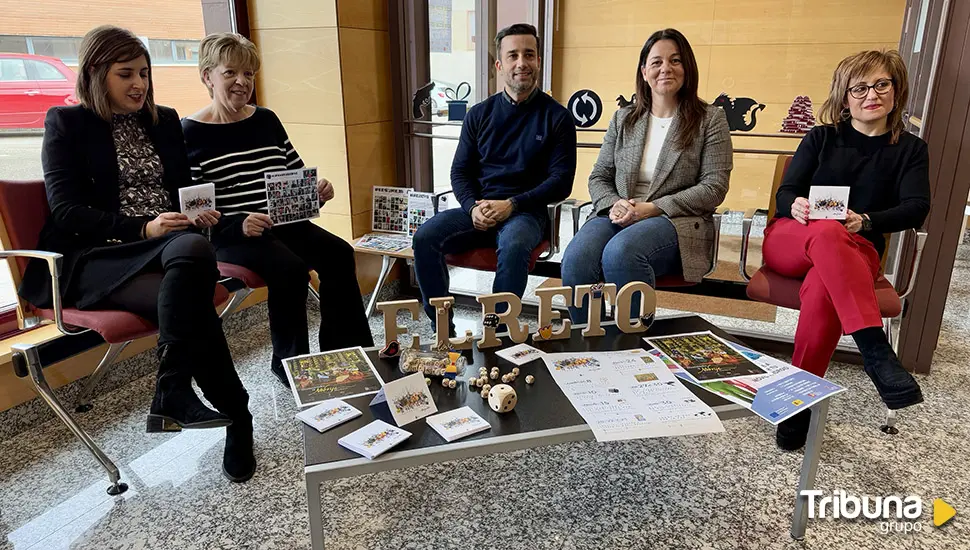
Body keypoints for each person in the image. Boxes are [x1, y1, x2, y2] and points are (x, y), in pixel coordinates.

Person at [17, 26, 255, 482]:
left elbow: (185, 190)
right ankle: (233, 415)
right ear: (94, 74)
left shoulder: (162, 120)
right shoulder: (66, 123)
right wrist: (141, 226)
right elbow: (67, 210)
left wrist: (200, 212)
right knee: (191, 294)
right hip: (95, 255)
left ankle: (176, 392)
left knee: (189, 250)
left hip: (166, 247)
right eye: (125, 74)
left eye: (144, 73)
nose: (139, 84)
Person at [181, 32, 374, 389]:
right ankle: (290, 364)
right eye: (231, 73)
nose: (243, 82)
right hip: (232, 234)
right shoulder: (188, 133)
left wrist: (317, 192)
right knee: (290, 268)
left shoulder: (266, 119)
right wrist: (238, 222)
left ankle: (348, 352)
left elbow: (292, 174)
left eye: (249, 74)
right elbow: (196, 213)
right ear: (207, 76)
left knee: (339, 253)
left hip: (284, 224)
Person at [763, 49, 929, 451]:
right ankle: (874, 348)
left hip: (856, 247)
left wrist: (866, 221)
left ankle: (797, 404)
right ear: (844, 95)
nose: (871, 94)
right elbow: (787, 192)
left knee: (824, 288)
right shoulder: (821, 137)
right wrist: (795, 205)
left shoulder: (910, 149)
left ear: (896, 89)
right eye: (860, 87)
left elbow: (916, 207)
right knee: (825, 231)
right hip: (794, 239)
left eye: (881, 84)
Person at [412, 23, 577, 331]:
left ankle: (497, 335)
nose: (521, 63)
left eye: (529, 54)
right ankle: (444, 332)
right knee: (424, 237)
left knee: (514, 245)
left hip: (525, 213)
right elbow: (460, 171)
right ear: (500, 65)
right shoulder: (479, 114)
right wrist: (472, 206)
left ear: (538, 61)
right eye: (512, 55)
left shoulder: (557, 117)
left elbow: (561, 181)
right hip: (479, 208)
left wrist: (512, 204)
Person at [561, 28, 732, 323]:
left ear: (687, 68)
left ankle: (629, 347)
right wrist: (614, 203)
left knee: (621, 252)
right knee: (576, 258)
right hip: (619, 213)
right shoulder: (624, 118)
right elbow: (599, 176)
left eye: (675, 61)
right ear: (644, 71)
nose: (666, 68)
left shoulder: (710, 119)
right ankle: (588, 341)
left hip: (674, 222)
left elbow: (714, 187)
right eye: (656, 62)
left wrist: (653, 208)